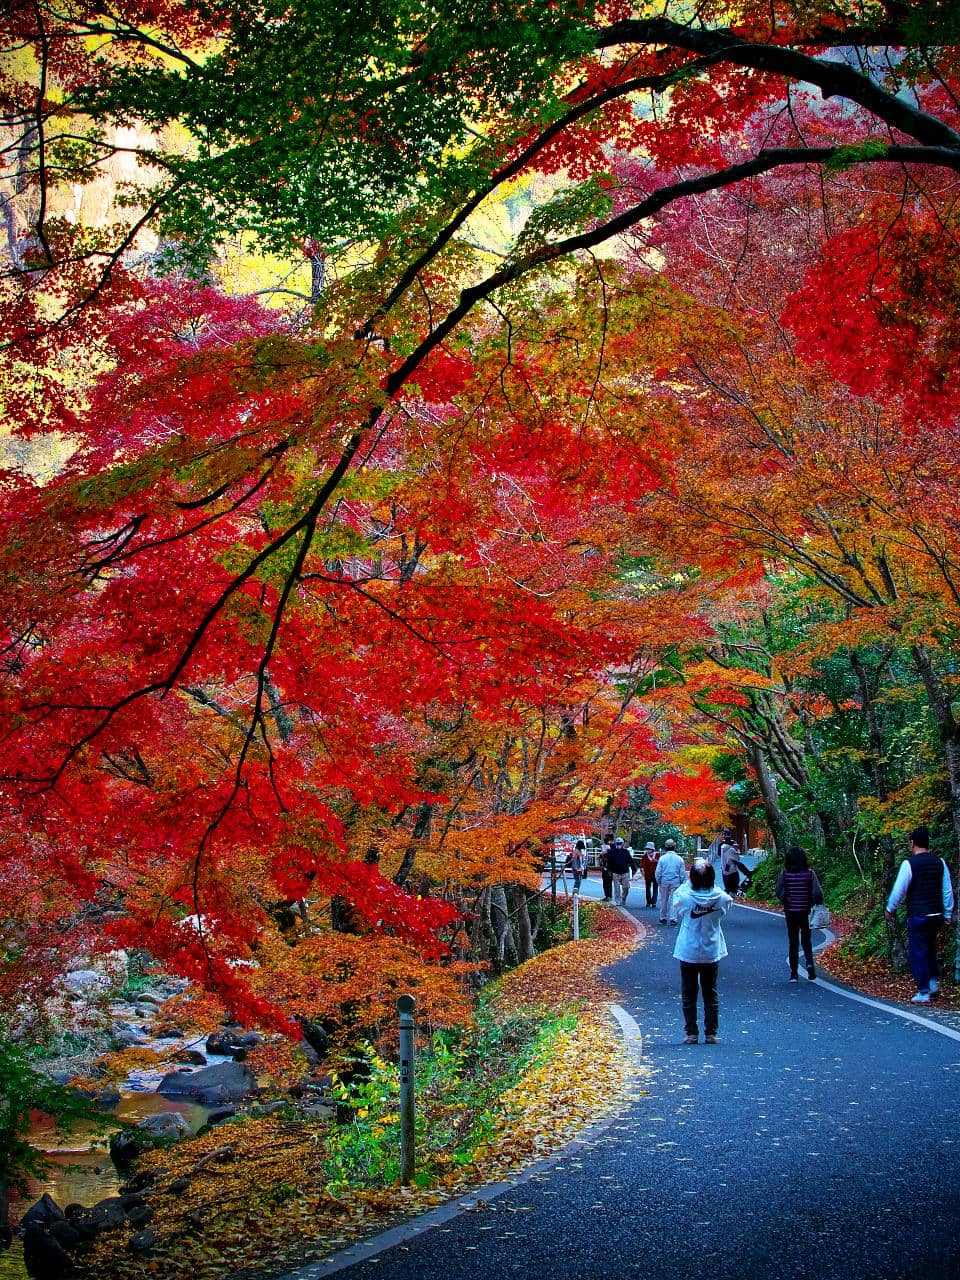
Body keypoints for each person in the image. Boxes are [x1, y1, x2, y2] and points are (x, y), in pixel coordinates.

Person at [885, 825, 955, 1004]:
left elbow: (899, 889)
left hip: (918, 914)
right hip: (936, 914)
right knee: (930, 947)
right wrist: (948, 913)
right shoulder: (940, 862)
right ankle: (932, 982)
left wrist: (890, 908)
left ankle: (923, 991)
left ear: (912, 843)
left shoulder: (909, 864)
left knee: (918, 951)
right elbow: (947, 890)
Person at [672, 858, 732, 1044]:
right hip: (711, 949)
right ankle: (711, 1032)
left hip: (689, 949)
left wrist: (690, 881)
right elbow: (725, 902)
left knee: (689, 991)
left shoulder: (686, 898)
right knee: (710, 991)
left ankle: (691, 1032)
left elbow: (678, 896)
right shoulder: (721, 898)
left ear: (693, 878)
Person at [775, 845, 824, 982]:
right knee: (806, 940)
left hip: (790, 911)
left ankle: (794, 974)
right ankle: (809, 964)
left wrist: (786, 899)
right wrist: (813, 901)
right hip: (805, 910)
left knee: (793, 941)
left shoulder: (785, 874)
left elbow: (778, 891)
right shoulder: (810, 874)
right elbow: (817, 893)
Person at [655, 838, 686, 924]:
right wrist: (681, 881)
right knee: (674, 900)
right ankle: (673, 918)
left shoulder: (662, 859)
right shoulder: (679, 859)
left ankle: (662, 917)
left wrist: (659, 881)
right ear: (674, 847)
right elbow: (682, 873)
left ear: (666, 847)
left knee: (664, 899)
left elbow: (658, 872)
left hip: (664, 880)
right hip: (675, 881)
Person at [607, 836, 635, 906]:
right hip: (615, 872)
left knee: (626, 887)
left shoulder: (626, 852)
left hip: (625, 872)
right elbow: (609, 862)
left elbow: (631, 861)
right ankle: (617, 901)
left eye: (620, 843)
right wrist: (609, 871)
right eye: (617, 843)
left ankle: (623, 899)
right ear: (616, 844)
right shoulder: (612, 852)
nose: (618, 844)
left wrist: (634, 869)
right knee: (617, 888)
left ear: (622, 844)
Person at [639, 841, 660, 908]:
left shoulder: (657, 855)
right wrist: (642, 869)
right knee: (647, 888)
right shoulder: (644, 856)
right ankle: (648, 901)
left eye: (649, 849)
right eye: (647, 849)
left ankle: (654, 902)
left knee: (655, 888)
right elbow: (642, 864)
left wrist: (657, 861)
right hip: (647, 874)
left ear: (652, 849)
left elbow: (661, 864)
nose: (648, 850)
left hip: (656, 874)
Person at [599, 834, 614, 901]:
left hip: (610, 867)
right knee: (605, 882)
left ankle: (609, 896)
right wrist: (601, 854)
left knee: (609, 882)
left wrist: (606, 852)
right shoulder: (603, 847)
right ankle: (606, 895)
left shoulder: (613, 848)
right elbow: (600, 856)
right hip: (604, 867)